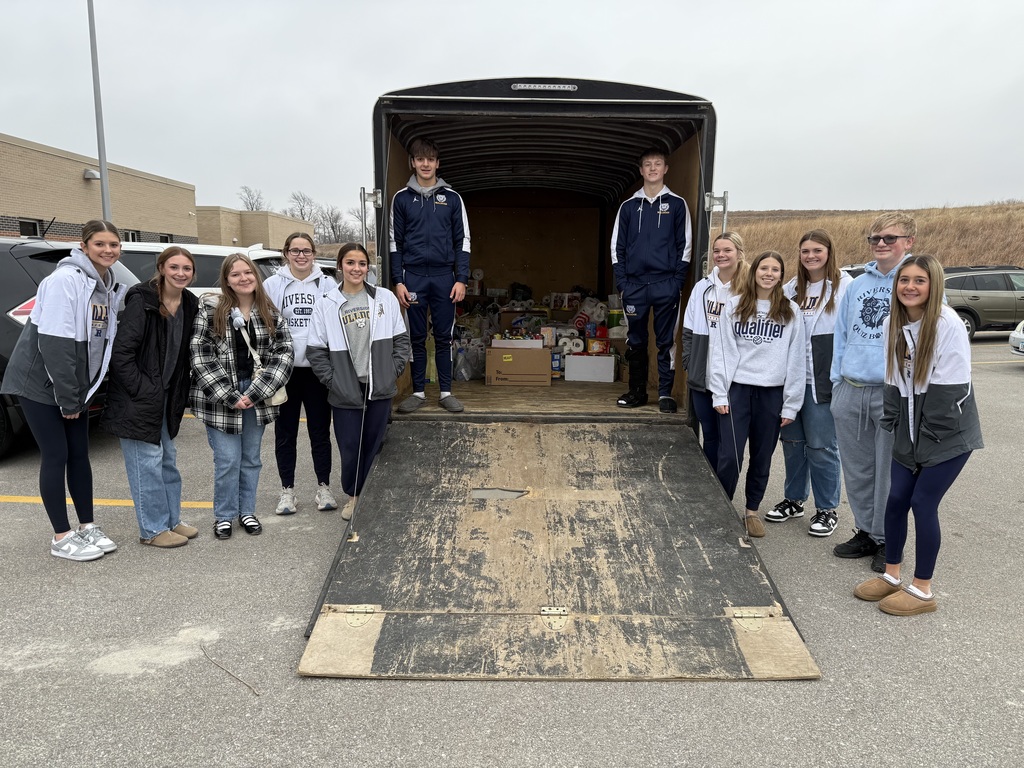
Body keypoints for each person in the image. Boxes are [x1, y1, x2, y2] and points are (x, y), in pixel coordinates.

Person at [854, 255, 982, 615]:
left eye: (919, 280)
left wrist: (922, 444)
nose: (910, 286)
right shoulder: (894, 323)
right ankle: (892, 575)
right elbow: (892, 381)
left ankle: (923, 589)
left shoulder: (947, 324)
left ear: (933, 285)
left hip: (947, 434)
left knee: (923, 504)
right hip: (910, 430)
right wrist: (894, 425)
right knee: (896, 501)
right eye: (904, 280)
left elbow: (949, 396)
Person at [0, 220, 127, 561]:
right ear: (84, 246)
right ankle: (61, 536)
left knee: (79, 454)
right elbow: (55, 344)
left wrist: (83, 390)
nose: (108, 250)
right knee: (55, 455)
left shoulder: (106, 285)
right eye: (100, 244)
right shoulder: (63, 280)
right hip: (41, 384)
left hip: (74, 383)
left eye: (114, 244)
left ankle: (87, 526)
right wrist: (69, 397)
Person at [830, 212, 916, 572]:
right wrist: (836, 381)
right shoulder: (856, 285)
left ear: (908, 242)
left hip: (890, 391)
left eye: (889, 238)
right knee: (858, 469)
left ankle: (886, 539)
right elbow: (842, 335)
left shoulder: (913, 282)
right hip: (851, 389)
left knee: (889, 472)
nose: (880, 244)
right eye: (875, 238)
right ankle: (865, 530)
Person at [102, 246, 201, 548]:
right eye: (174, 267)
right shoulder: (142, 299)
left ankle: (171, 520)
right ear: (161, 268)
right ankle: (152, 529)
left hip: (167, 398)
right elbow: (122, 354)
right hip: (138, 399)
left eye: (186, 268)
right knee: (146, 463)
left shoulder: (189, 302)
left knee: (167, 460)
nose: (180, 273)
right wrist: (144, 390)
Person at [190, 254, 293, 540]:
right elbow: (200, 355)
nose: (243, 278)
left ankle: (246, 511)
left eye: (248, 272)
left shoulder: (270, 311)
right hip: (219, 396)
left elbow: (283, 353)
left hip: (257, 396)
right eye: (235, 274)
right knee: (227, 460)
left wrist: (257, 392)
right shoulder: (210, 310)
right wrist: (229, 395)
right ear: (226, 280)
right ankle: (224, 516)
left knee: (250, 459)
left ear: (256, 277)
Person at [307, 243, 410, 520]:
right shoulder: (327, 302)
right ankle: (353, 496)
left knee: (374, 444)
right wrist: (333, 380)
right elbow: (315, 349)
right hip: (345, 388)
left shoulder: (384, 298)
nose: (356, 268)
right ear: (340, 266)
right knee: (350, 445)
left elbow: (401, 340)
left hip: (379, 384)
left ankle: (368, 495)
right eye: (350, 263)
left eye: (362, 263)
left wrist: (393, 369)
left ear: (368, 267)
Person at [709, 251, 804, 538]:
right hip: (737, 390)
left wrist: (791, 404)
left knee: (762, 457)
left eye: (776, 269)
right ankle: (722, 508)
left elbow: (796, 358)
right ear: (754, 271)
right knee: (730, 456)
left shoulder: (790, 310)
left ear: (781, 275)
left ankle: (752, 511)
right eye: (764, 267)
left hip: (771, 393)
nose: (769, 273)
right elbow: (722, 351)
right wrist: (719, 394)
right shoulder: (735, 306)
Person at [766, 230, 853, 537]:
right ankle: (794, 500)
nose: (811, 256)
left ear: (829, 252)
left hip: (823, 382)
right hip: (792, 381)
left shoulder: (845, 286)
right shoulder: (790, 288)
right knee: (792, 444)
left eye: (817, 250)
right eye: (805, 251)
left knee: (821, 447)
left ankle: (827, 508)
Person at [390, 137, 470, 415]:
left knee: (444, 337)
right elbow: (394, 243)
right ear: (412, 162)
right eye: (420, 159)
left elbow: (463, 241)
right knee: (416, 336)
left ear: (438, 163)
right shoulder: (401, 198)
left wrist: (461, 278)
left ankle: (446, 392)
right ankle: (418, 392)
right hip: (413, 278)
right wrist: (398, 281)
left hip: (444, 277)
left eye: (431, 159)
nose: (425, 164)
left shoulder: (452, 198)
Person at [611, 146, 692, 412]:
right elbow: (617, 248)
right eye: (648, 164)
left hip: (665, 284)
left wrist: (676, 282)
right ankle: (636, 391)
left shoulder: (677, 204)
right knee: (635, 341)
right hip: (634, 286)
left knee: (665, 341)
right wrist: (622, 283)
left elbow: (685, 246)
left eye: (658, 164)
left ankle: (666, 393)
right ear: (641, 170)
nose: (653, 168)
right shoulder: (628, 207)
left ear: (666, 169)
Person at [264, 232, 337, 516]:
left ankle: (324, 487)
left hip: (317, 370)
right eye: (295, 251)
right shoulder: (272, 284)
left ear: (314, 254)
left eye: (306, 251)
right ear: (286, 254)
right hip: (286, 371)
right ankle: (287, 491)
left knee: (320, 431)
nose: (301, 256)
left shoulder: (328, 283)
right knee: (285, 433)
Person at [681, 231, 747, 468]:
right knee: (709, 436)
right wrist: (689, 362)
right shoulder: (702, 287)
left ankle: (725, 488)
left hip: (733, 377)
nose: (721, 255)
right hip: (702, 374)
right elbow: (688, 328)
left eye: (727, 250)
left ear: (739, 253)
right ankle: (713, 488)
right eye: (717, 251)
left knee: (728, 441)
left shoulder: (749, 288)